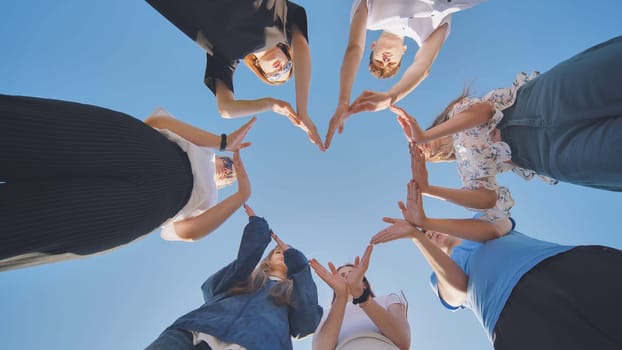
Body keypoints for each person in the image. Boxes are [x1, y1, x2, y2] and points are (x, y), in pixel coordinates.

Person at [0, 94, 254, 271]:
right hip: (140, 147)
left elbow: (188, 233)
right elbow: (157, 123)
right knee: (32, 134)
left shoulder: (208, 202)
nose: (227, 170)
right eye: (229, 163)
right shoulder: (203, 149)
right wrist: (222, 142)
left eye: (231, 174)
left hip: (146, 206)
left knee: (34, 221)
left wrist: (240, 196)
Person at [371, 181, 622, 350]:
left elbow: (493, 229)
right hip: (513, 317)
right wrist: (416, 236)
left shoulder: (479, 219)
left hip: (559, 268)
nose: (430, 234)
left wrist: (426, 221)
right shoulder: (439, 275)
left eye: (429, 230)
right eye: (425, 236)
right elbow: (459, 290)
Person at [394, 35, 622, 191]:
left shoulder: (457, 115)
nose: (418, 147)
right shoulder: (469, 168)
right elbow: (486, 200)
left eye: (415, 142)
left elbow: (483, 112)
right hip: (549, 154)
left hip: (542, 99)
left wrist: (425, 136)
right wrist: (428, 189)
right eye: (418, 152)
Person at [146, 0, 323, 150]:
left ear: (261, 70)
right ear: (287, 52)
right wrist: (303, 111)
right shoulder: (283, 19)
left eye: (276, 76)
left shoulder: (226, 58)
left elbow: (225, 108)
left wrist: (270, 104)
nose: (280, 69)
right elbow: (301, 46)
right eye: (288, 67)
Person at [146, 204, 323, 349]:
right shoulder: (246, 276)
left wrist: (299, 264)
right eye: (278, 251)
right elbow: (211, 288)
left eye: (287, 252)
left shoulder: (296, 293)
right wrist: (258, 232)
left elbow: (306, 323)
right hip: (191, 333)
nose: (282, 253)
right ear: (268, 258)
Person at [325, 0, 487, 148]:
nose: (386, 61)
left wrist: (343, 101)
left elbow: (354, 47)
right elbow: (422, 66)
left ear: (373, 46)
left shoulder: (370, 16)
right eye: (392, 63)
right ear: (403, 52)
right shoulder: (425, 35)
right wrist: (392, 95)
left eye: (379, 61)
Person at [310, 245, 410, 350]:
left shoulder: (388, 299)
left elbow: (403, 340)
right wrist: (341, 296)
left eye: (351, 273)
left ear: (364, 284)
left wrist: (359, 294)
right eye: (342, 275)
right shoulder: (324, 315)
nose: (347, 277)